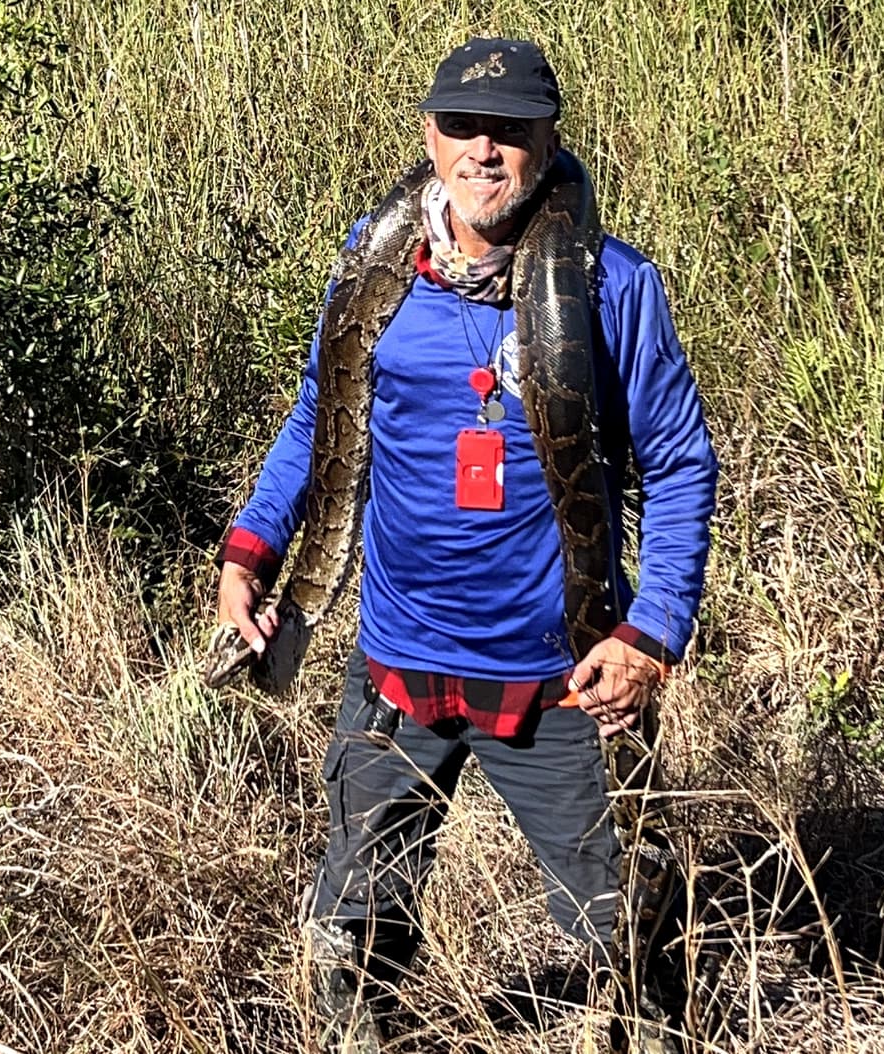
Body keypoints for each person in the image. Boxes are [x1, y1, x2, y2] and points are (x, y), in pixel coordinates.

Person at [213, 36, 718, 1052]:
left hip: (563, 677)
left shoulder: (612, 286)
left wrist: (652, 633)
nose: (483, 150)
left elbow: (678, 464)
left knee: (626, 932)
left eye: (509, 130)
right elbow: (318, 414)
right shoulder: (374, 265)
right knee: (351, 936)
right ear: (428, 136)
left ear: (549, 142)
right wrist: (250, 550)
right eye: (461, 127)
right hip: (396, 665)